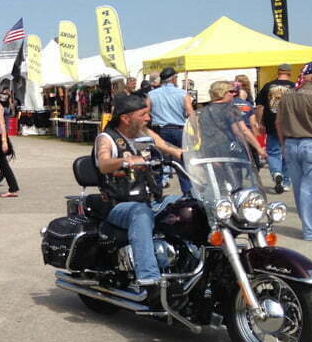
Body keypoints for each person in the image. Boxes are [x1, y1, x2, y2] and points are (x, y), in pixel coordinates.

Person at [93, 94, 184, 301]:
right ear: (126, 118)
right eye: (143, 114)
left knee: (188, 205)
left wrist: (194, 157)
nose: (148, 118)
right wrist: (125, 161)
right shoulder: (107, 138)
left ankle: (195, 267)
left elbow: (169, 148)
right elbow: (103, 163)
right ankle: (149, 280)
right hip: (119, 205)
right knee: (141, 214)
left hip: (151, 200)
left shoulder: (144, 133)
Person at [277, 61, 312, 240]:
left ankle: (309, 226)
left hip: (291, 144)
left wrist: (283, 145)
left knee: (299, 189)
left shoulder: (287, 95)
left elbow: (278, 122)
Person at [147, 67, 193, 195]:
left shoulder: (151, 94)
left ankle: (157, 191)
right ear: (173, 79)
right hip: (179, 130)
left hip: (159, 130)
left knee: (157, 161)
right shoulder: (182, 93)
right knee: (182, 161)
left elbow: (146, 112)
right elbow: (190, 113)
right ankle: (187, 193)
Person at [256, 64, 297, 193]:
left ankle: (276, 173)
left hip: (271, 123)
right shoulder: (295, 87)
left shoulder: (268, 86)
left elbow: (260, 106)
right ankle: (286, 181)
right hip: (290, 125)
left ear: (278, 72)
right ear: (289, 73)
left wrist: (260, 122)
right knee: (287, 153)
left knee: (273, 152)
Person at [200, 81, 266, 161]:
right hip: (229, 150)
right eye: (231, 91)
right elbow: (242, 131)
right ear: (222, 93)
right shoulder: (231, 109)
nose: (233, 94)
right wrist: (259, 148)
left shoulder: (204, 110)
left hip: (209, 151)